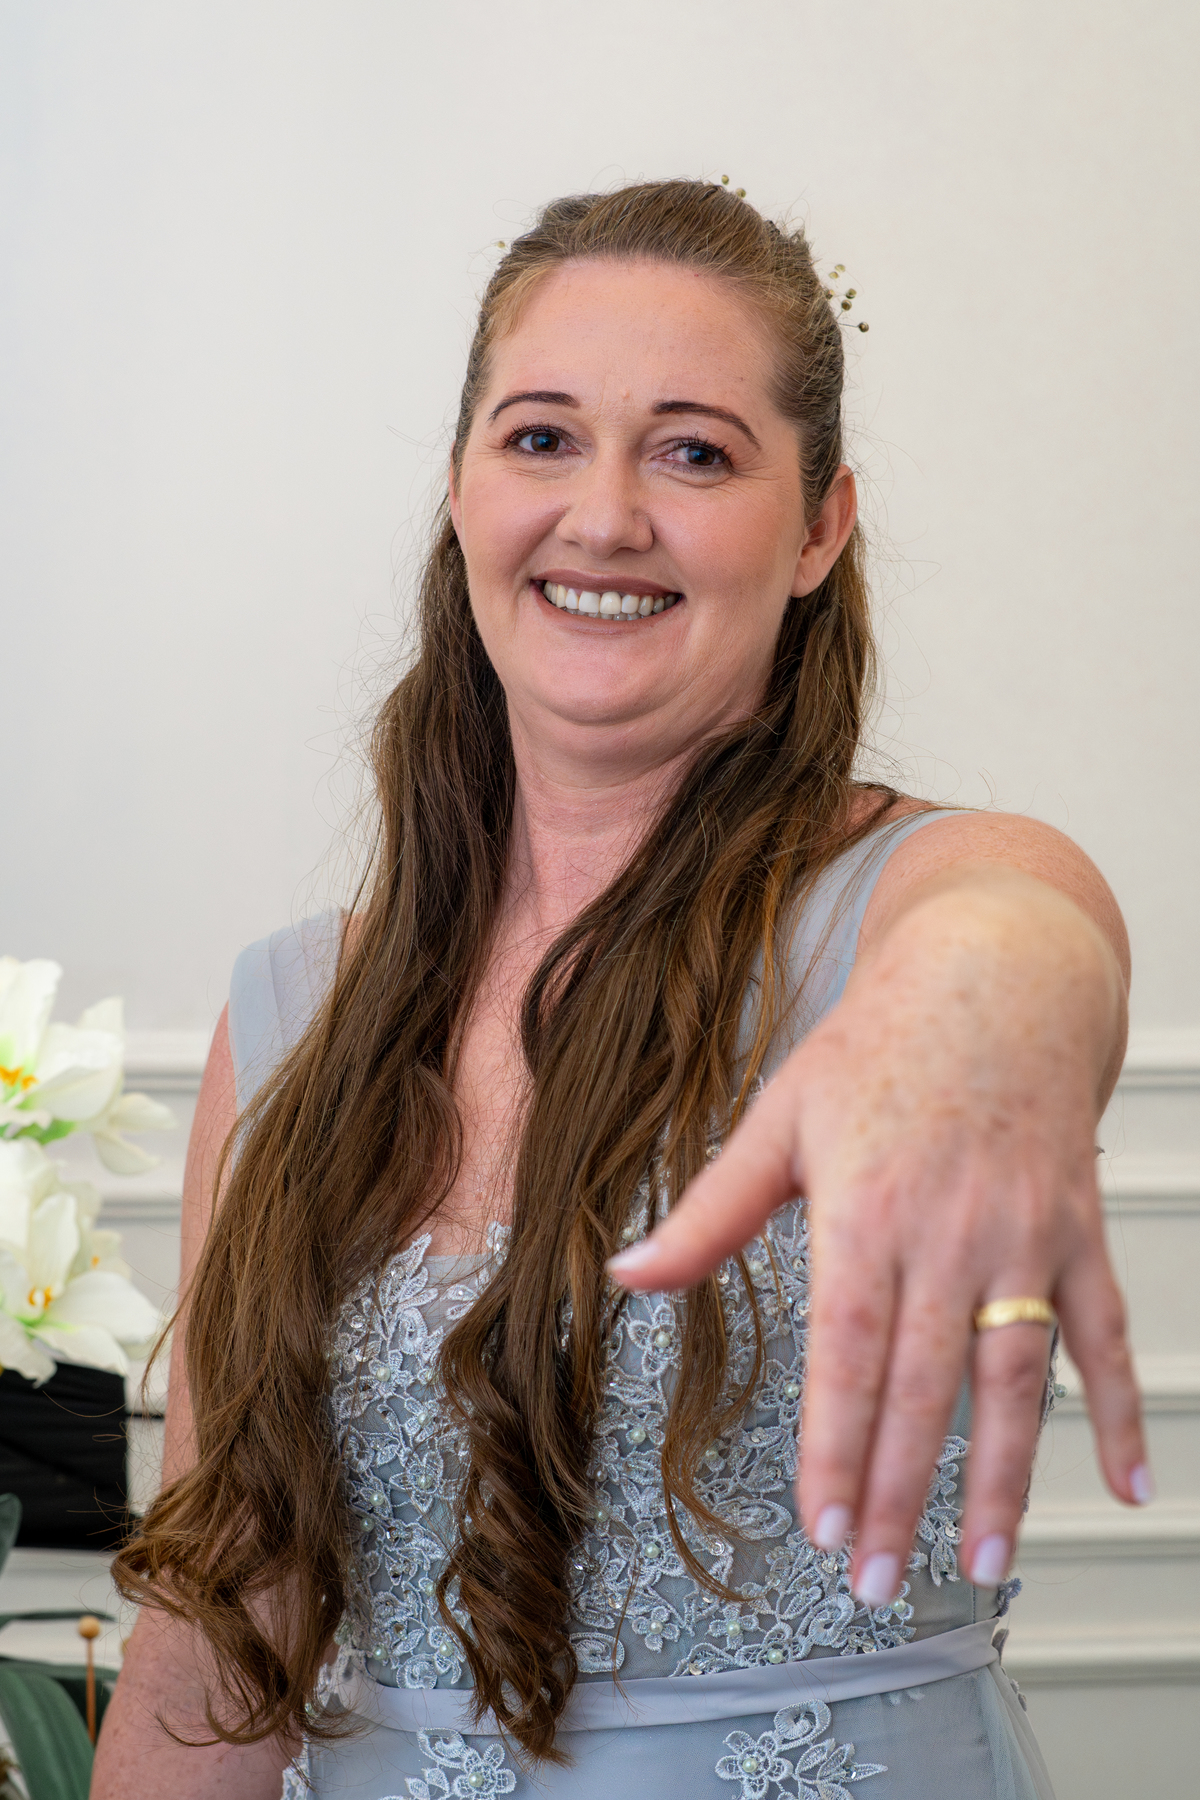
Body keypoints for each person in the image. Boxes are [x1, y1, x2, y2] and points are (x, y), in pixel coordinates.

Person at [94, 179, 1147, 1800]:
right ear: (460, 490)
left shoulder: (915, 899)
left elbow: (1026, 939)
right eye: (542, 438)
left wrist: (971, 1011)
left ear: (819, 529)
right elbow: (210, 1649)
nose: (603, 516)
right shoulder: (296, 1009)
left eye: (695, 454)